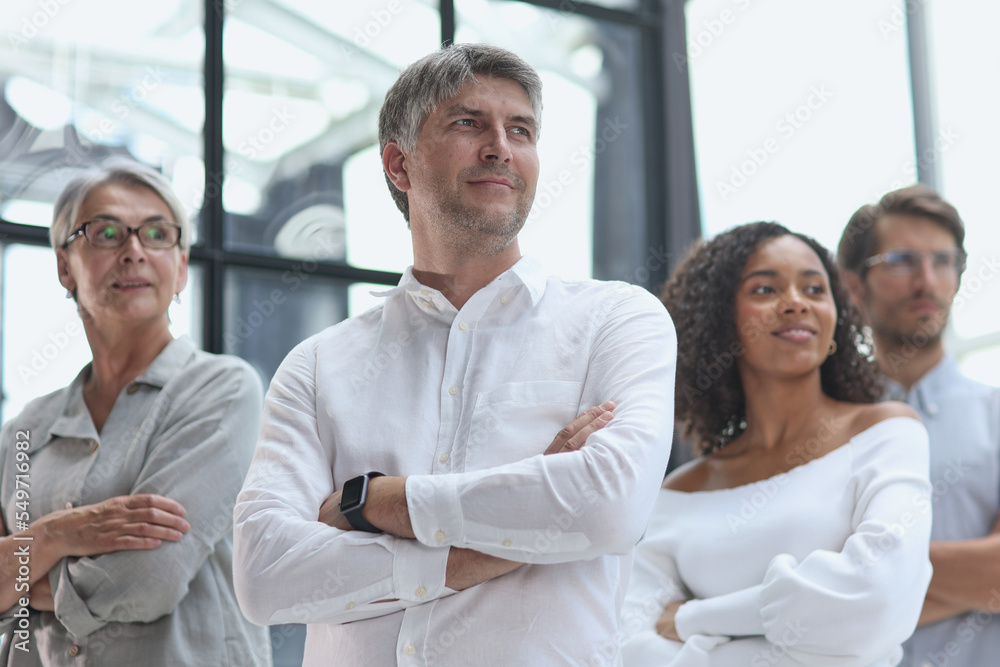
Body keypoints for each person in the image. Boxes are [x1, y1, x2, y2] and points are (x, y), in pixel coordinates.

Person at [233, 43, 676, 665]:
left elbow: (607, 507)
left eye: (520, 130)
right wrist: (505, 535)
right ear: (399, 164)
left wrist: (375, 503)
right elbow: (265, 577)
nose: (500, 147)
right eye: (469, 123)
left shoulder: (616, 320)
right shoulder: (316, 366)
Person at [620, 221, 933, 665]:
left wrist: (694, 619)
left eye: (814, 289)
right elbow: (630, 646)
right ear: (721, 322)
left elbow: (877, 599)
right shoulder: (678, 492)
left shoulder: (886, 432)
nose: (795, 303)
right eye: (765, 290)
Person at [0, 159, 270, 666]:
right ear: (65, 266)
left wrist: (23, 569)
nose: (133, 251)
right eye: (105, 232)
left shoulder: (223, 389)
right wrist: (59, 533)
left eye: (157, 233)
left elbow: (149, 581)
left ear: (182, 267)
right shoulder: (23, 430)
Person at [837, 185, 1000, 666]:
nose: (927, 281)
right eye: (902, 260)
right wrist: (975, 580)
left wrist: (861, 579)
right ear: (853, 287)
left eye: (943, 261)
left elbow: (822, 591)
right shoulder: (821, 431)